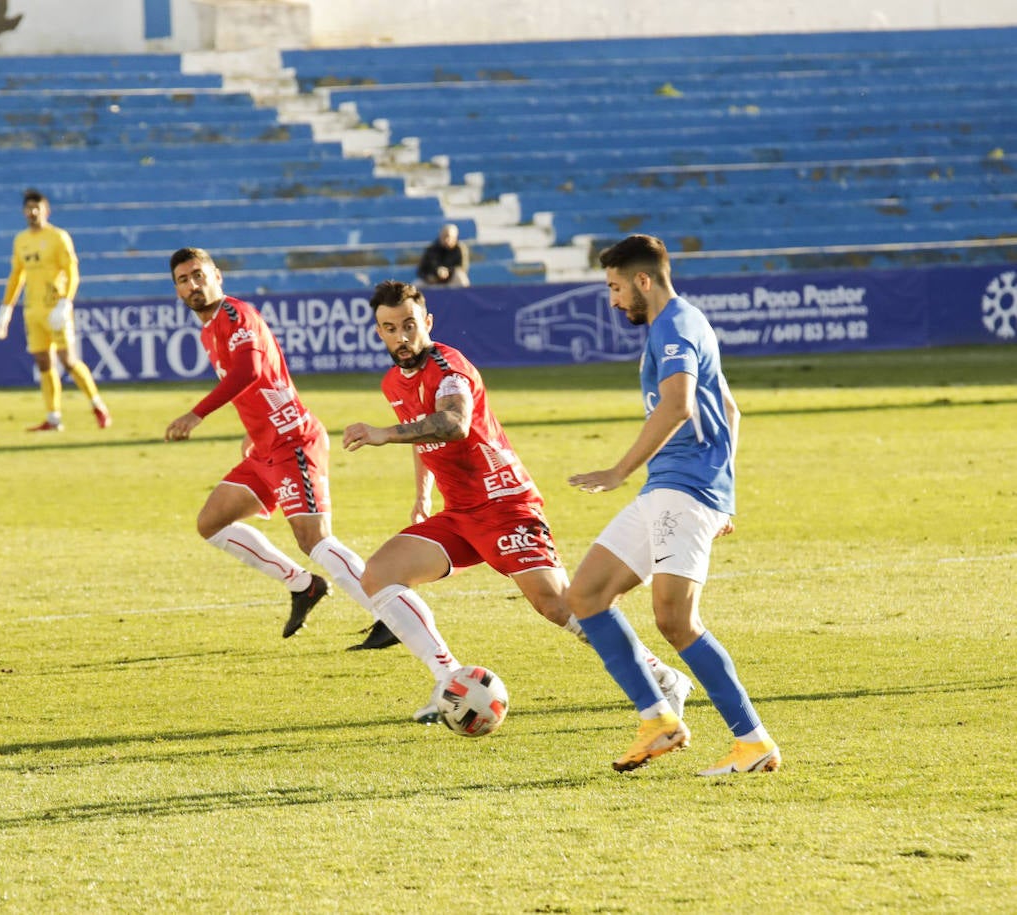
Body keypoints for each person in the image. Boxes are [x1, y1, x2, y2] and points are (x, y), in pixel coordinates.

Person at [342, 279, 691, 723]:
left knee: (559, 606)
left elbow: (452, 422)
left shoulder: (450, 368)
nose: (402, 337)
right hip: (460, 512)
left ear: (427, 322)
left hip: (504, 503)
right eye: (390, 328)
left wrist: (382, 434)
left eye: (409, 325)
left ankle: (662, 677)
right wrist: (422, 495)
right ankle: (450, 680)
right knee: (379, 576)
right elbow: (421, 431)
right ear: (379, 332)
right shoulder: (393, 381)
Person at [566, 233, 779, 776]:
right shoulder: (681, 323)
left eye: (615, 287)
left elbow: (681, 406)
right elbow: (730, 409)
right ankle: (658, 719)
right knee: (586, 594)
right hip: (671, 487)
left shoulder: (677, 326)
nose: (612, 301)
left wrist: (617, 470)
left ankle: (753, 742)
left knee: (675, 621)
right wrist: (725, 496)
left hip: (681, 490)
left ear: (643, 280)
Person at [163, 247, 395, 649]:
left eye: (198, 275)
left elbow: (250, 370)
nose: (193, 285)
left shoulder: (236, 315)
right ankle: (303, 586)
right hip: (265, 448)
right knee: (211, 522)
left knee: (315, 539)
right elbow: (263, 382)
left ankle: (390, 615)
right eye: (183, 280)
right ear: (178, 291)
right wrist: (253, 430)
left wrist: (196, 414)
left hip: (293, 442)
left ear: (217, 276)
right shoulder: (208, 329)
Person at [0, 188, 111, 432]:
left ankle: (97, 405)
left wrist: (66, 301)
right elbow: (17, 275)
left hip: (55, 307)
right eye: (28, 208)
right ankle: (53, 418)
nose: (32, 212)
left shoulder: (59, 237)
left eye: (37, 207)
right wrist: (6, 308)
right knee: (43, 362)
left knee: (67, 360)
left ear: (46, 210)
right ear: (23, 212)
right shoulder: (21, 240)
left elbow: (71, 272)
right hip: (32, 309)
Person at [415, 223, 470, 288]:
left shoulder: (460, 249)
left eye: (449, 236)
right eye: (444, 236)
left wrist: (448, 272)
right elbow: (421, 270)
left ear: (455, 237)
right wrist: (433, 275)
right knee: (417, 284)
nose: (446, 240)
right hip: (433, 282)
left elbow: (463, 268)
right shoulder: (432, 249)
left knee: (462, 278)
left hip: (451, 281)